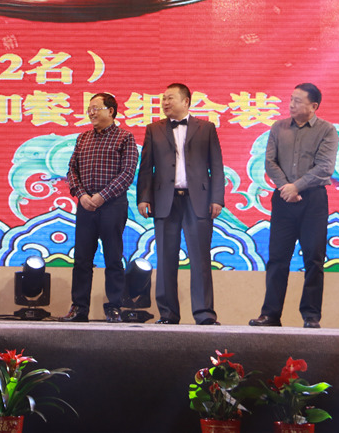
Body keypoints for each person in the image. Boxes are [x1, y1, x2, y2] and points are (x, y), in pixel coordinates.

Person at [250, 83, 338, 329]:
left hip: (313, 201)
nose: (291, 104)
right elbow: (270, 162)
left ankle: (311, 316)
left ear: (314, 106)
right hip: (283, 200)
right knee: (277, 258)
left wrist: (296, 187)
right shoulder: (278, 127)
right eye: (291, 99)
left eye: (298, 101)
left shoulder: (327, 130)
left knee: (314, 259)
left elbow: (325, 167)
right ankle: (270, 314)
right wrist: (286, 188)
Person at [137, 83, 224, 325]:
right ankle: (168, 314)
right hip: (165, 201)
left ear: (186, 101)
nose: (165, 102)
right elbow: (146, 167)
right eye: (163, 99)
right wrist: (143, 197)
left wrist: (217, 198)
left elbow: (217, 166)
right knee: (165, 259)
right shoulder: (153, 129)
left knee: (200, 259)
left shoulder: (206, 128)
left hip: (198, 201)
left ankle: (204, 314)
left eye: (170, 98)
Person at [62, 92, 138, 323]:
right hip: (86, 206)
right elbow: (71, 170)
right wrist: (81, 195)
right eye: (89, 109)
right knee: (82, 259)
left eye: (96, 108)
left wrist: (102, 196)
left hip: (112, 206)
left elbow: (127, 173)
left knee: (113, 258)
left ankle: (114, 307)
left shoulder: (125, 137)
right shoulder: (83, 138)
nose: (91, 113)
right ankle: (79, 308)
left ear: (111, 111)